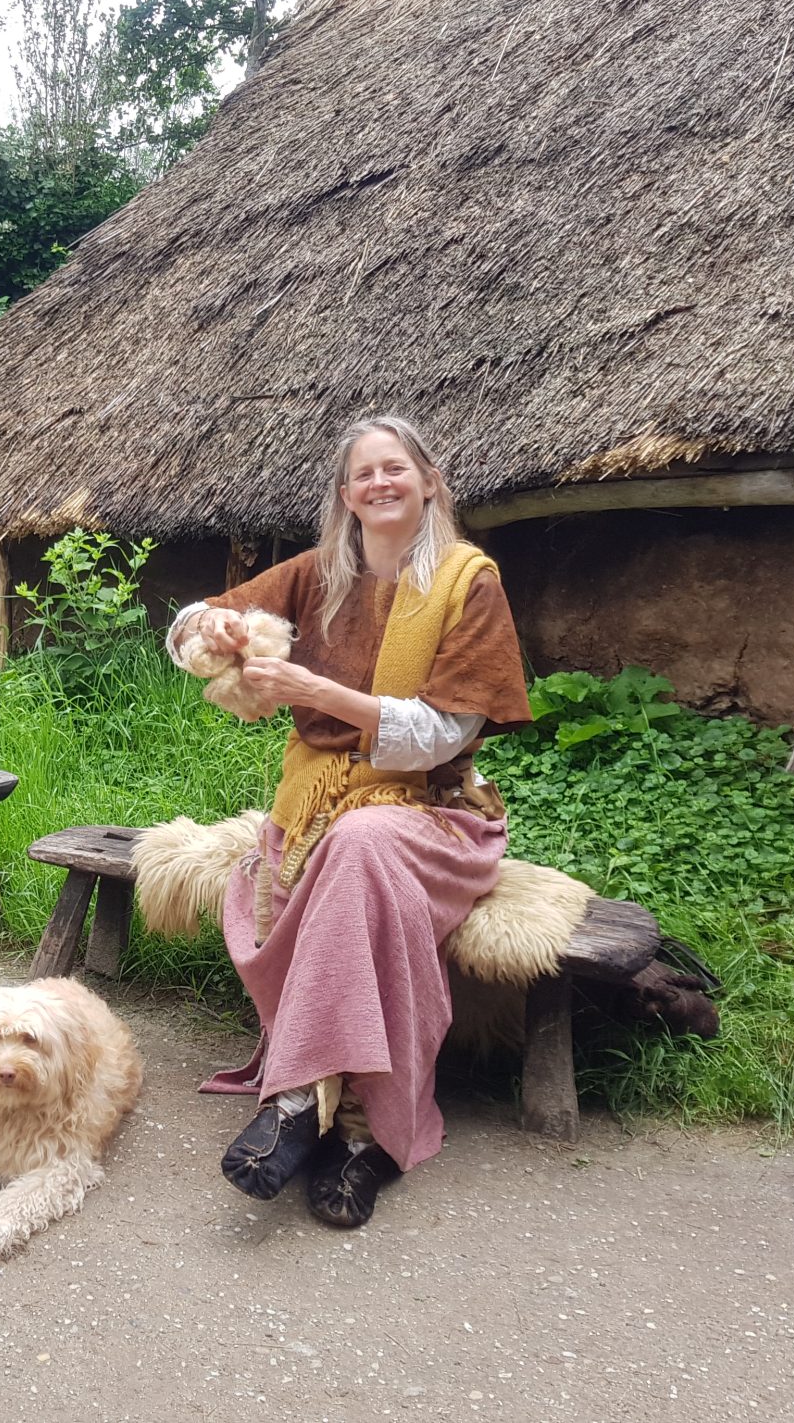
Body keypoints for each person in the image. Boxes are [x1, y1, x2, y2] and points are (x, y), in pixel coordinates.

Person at [165, 415, 531, 1228]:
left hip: (435, 814)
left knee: (359, 846)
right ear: (345, 494)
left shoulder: (470, 581)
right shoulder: (316, 573)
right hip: (318, 807)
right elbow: (186, 623)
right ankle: (358, 1131)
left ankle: (305, 1102)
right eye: (363, 474)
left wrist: (318, 692)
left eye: (395, 468)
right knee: (348, 853)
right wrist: (209, 627)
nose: (380, 483)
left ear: (429, 480)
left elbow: (448, 730)